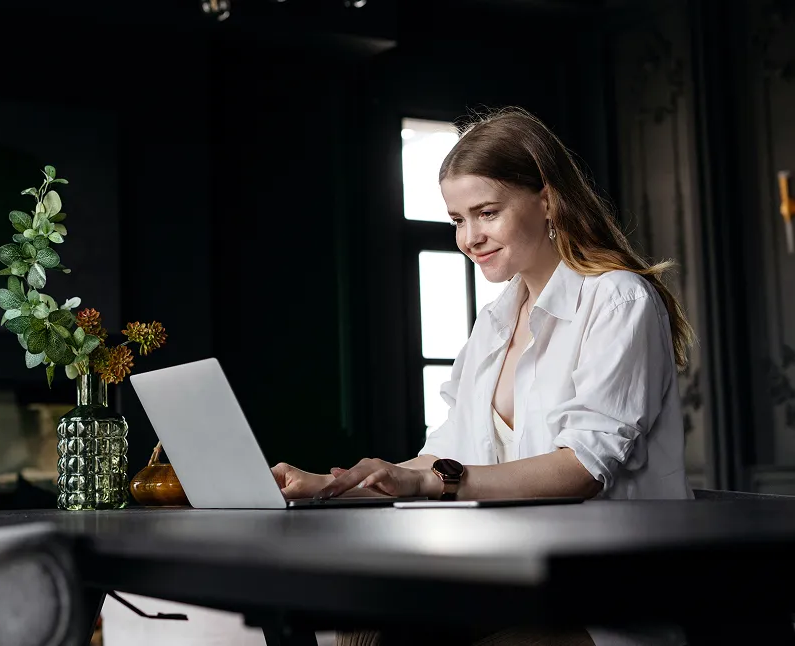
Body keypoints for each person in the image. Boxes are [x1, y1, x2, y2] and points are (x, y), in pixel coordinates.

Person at [271, 107, 695, 646]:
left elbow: (584, 467)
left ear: (548, 198)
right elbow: (444, 454)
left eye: (486, 213)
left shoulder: (618, 299)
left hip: (600, 604)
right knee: (361, 625)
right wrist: (332, 487)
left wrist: (431, 481)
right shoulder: (494, 321)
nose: (469, 237)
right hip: (512, 584)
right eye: (456, 220)